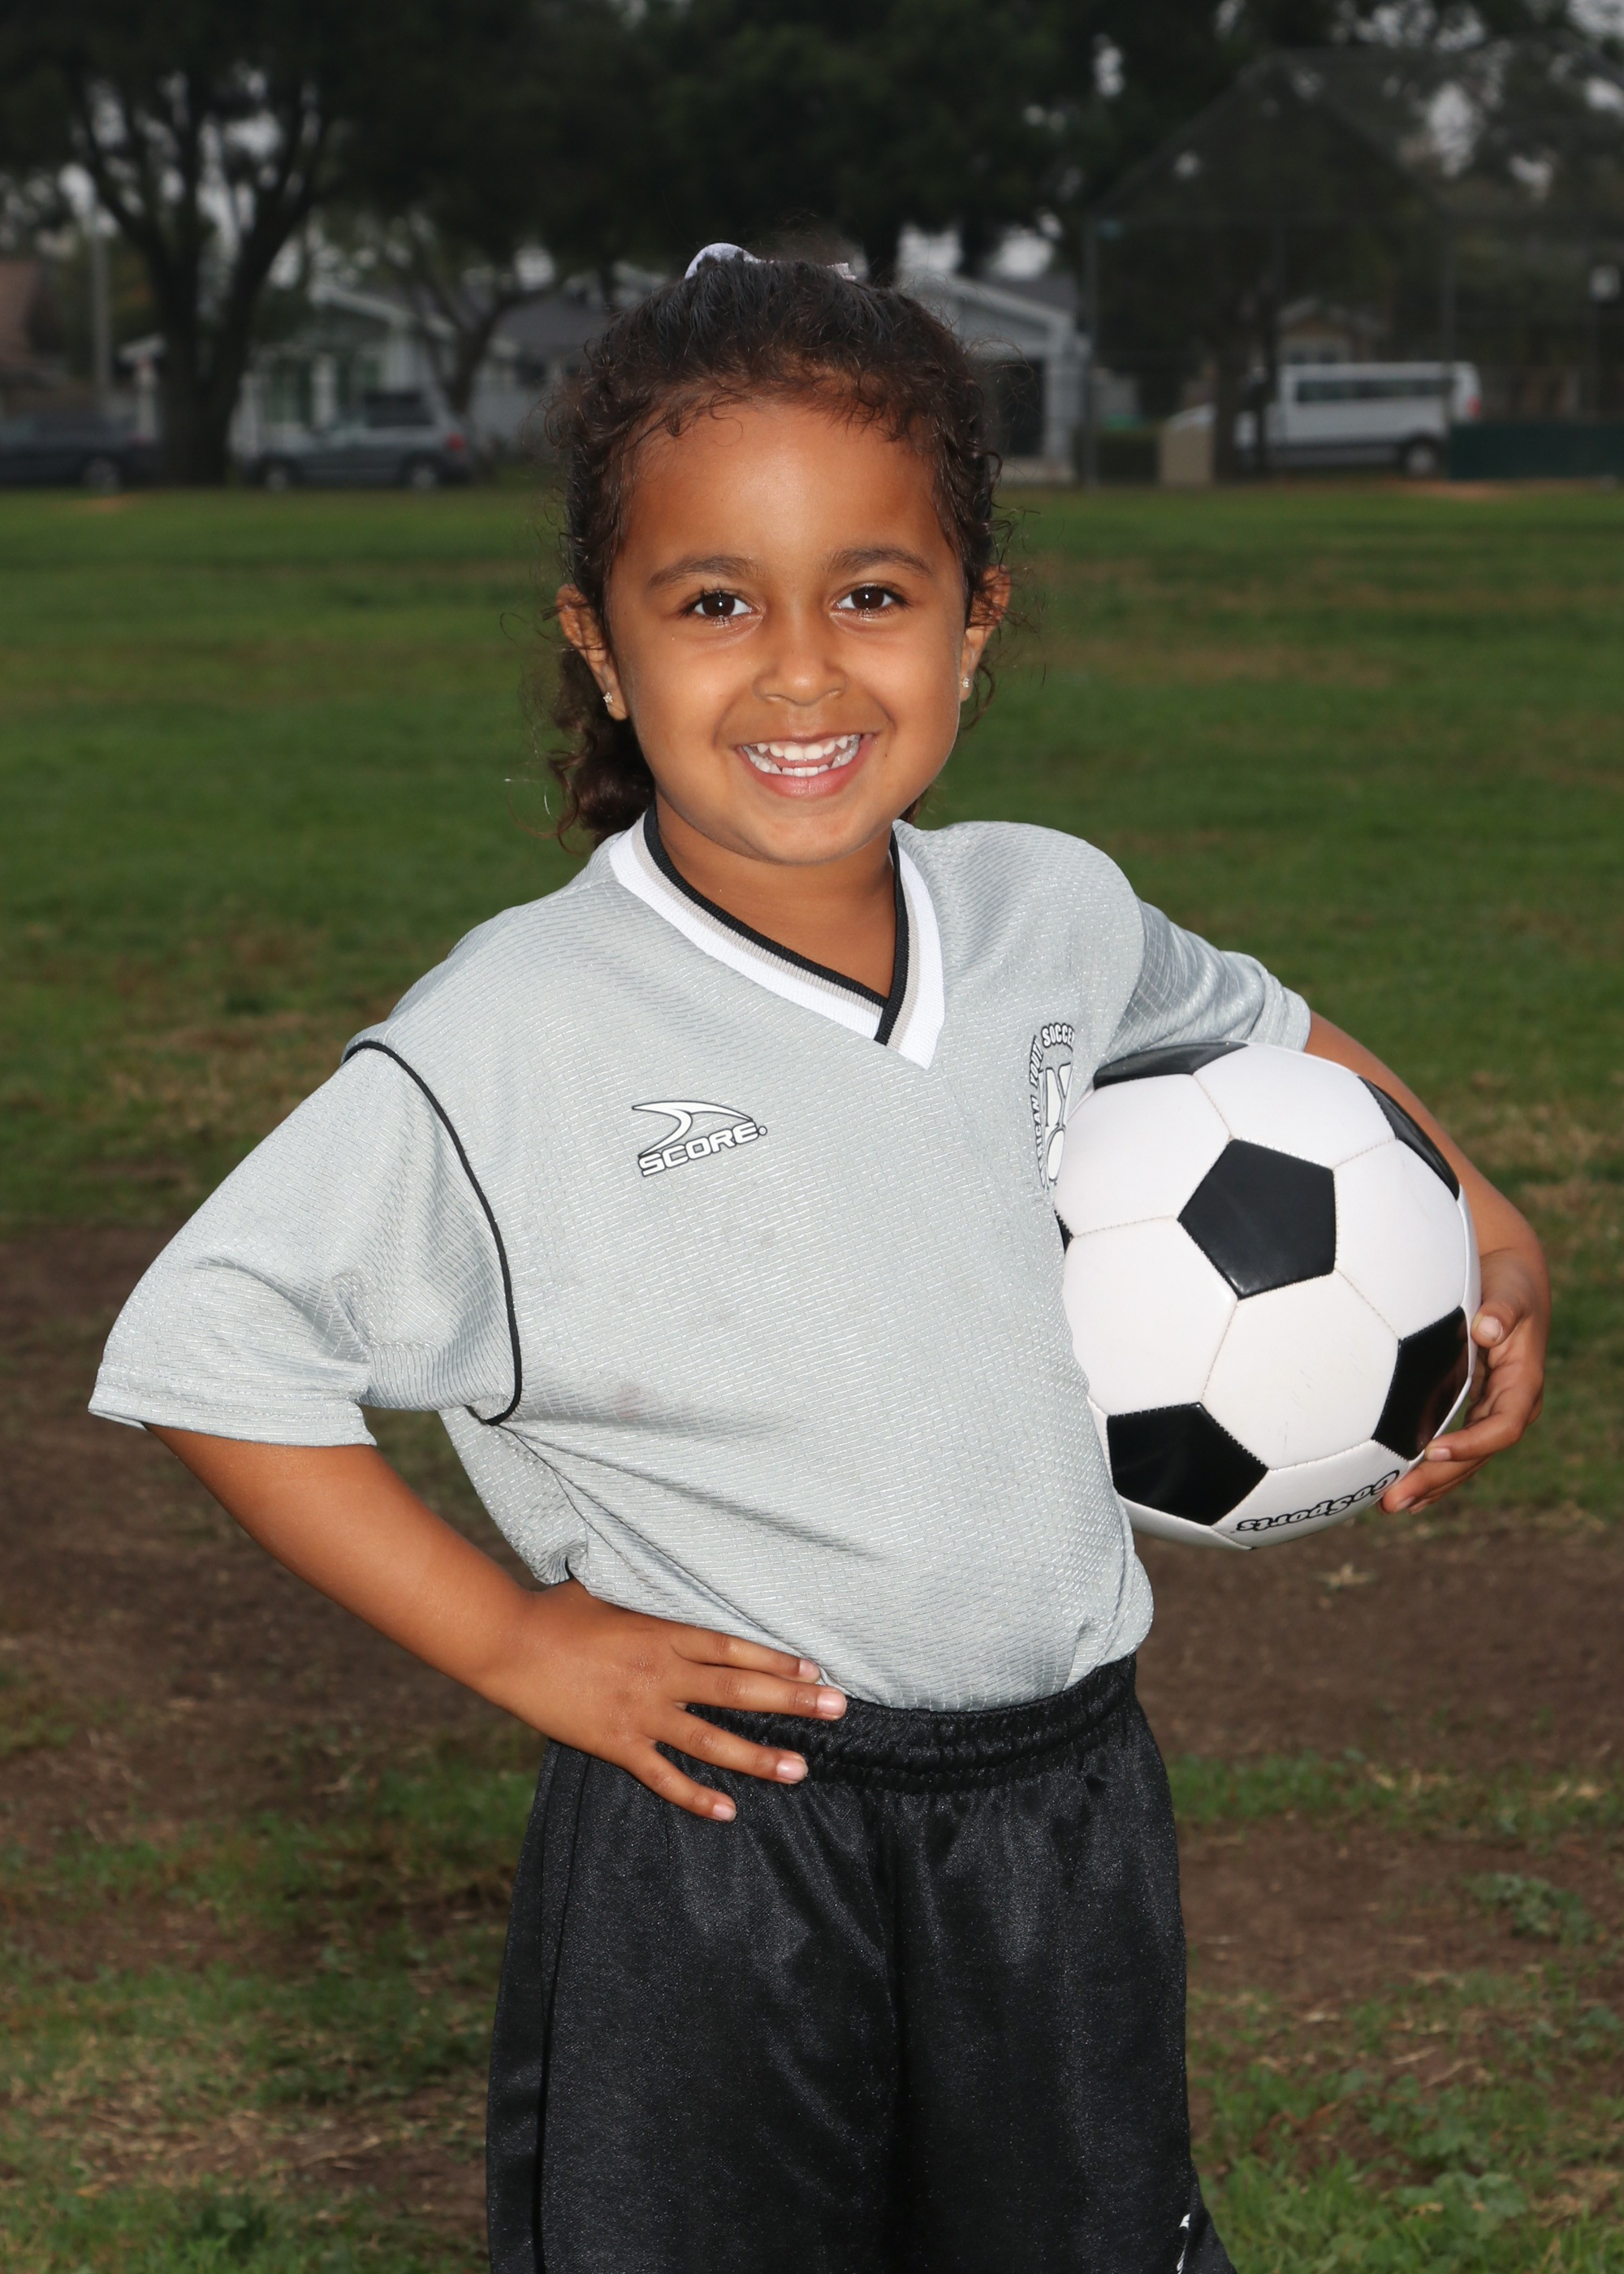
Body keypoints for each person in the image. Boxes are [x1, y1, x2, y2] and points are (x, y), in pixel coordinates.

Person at [91, 249, 1548, 2274]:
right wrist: (516, 1642)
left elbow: (1253, 1021)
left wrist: (1478, 1219)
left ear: (975, 621)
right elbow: (210, 1337)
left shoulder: (1048, 911)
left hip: (1059, 1798)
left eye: (871, 594)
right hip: (722, 1825)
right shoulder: (515, 1029)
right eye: (714, 603)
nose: (800, 673)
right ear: (601, 645)